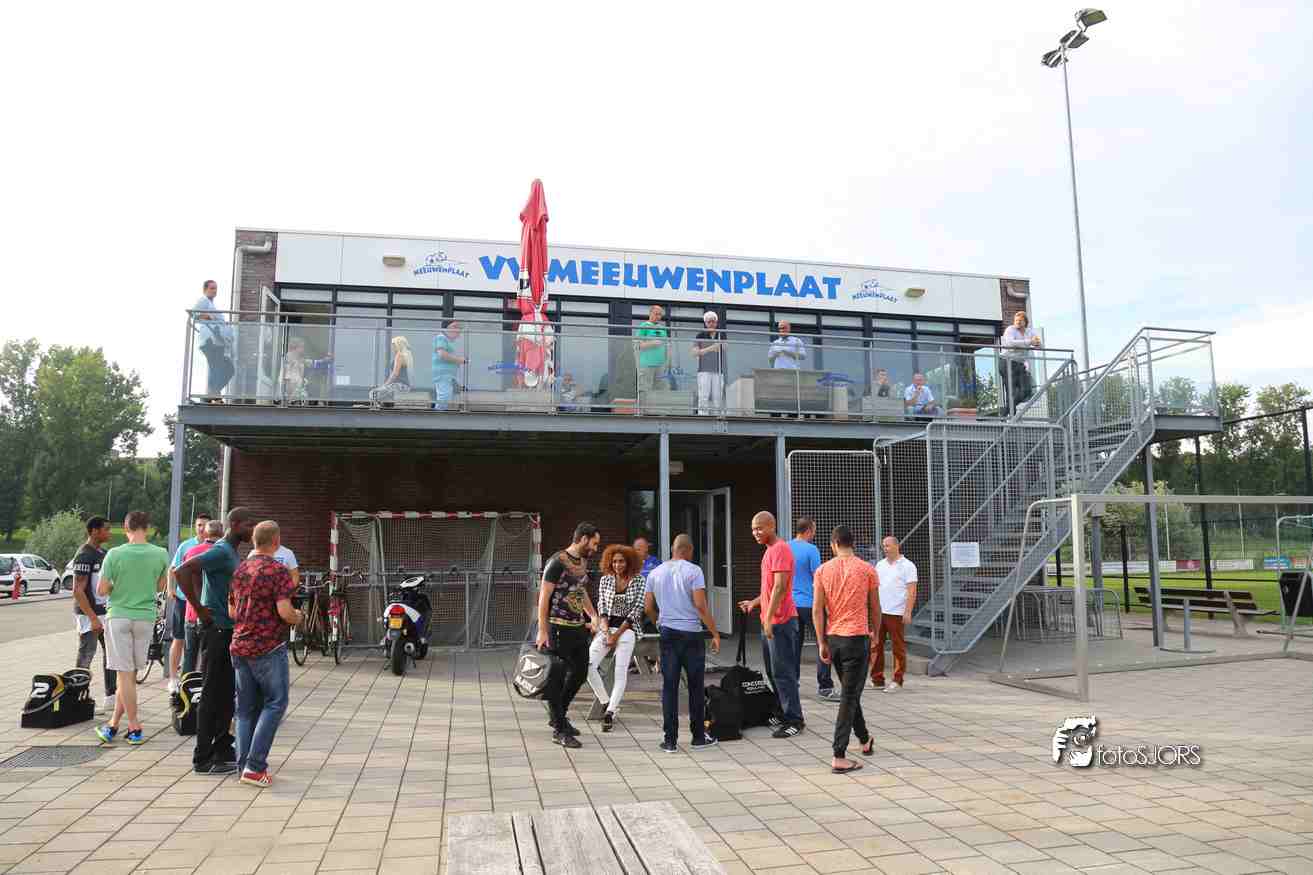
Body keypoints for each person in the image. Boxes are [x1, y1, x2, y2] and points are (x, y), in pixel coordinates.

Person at [176, 507, 258, 774]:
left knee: (225, 694)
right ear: (235, 524)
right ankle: (202, 758)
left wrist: (204, 596)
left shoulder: (231, 552)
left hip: (227, 630)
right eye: (248, 524)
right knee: (212, 693)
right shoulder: (222, 550)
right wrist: (199, 608)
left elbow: (199, 574)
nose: (252, 529)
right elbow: (183, 571)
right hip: (217, 632)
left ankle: (223, 747)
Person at [230, 521, 302, 788]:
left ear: (254, 541)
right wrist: (298, 617)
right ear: (276, 542)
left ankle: (243, 766)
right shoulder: (277, 571)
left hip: (240, 646)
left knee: (245, 709)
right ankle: (255, 766)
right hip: (268, 647)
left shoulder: (240, 570)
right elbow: (284, 611)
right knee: (275, 703)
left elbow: (231, 612)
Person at [94, 512, 170, 745]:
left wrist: (117, 585)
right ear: (147, 528)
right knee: (129, 674)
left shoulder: (114, 554)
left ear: (126, 528)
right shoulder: (161, 553)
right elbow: (160, 586)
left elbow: (101, 590)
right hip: (145, 618)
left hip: (119, 616)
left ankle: (135, 726)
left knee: (124, 675)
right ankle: (113, 724)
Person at [813, 525, 880, 774]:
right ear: (853, 544)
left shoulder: (822, 570)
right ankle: (838, 755)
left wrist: (821, 642)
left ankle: (864, 739)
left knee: (851, 692)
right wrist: (875, 633)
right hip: (857, 638)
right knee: (849, 696)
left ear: (833, 544)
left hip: (834, 639)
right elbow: (875, 607)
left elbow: (817, 609)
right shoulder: (867, 569)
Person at [644, 534, 721, 753]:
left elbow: (648, 607)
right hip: (691, 635)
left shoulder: (655, 572)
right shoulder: (694, 571)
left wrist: (658, 622)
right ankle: (698, 738)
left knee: (670, 687)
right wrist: (714, 633)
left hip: (668, 633)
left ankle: (670, 741)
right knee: (695, 686)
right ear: (689, 550)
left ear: (673, 549)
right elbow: (700, 605)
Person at [535, 522, 602, 749]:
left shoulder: (582, 562)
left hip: (577, 627)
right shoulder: (557, 562)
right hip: (557, 628)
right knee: (556, 678)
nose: (595, 549)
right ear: (583, 539)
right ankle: (560, 730)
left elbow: (580, 591)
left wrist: (593, 615)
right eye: (594, 544)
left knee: (580, 672)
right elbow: (544, 597)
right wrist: (542, 630)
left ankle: (558, 717)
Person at [738, 511, 804, 738]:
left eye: (759, 528)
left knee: (783, 672)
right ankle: (783, 712)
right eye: (753, 529)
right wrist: (754, 603)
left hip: (781, 622)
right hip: (771, 621)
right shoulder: (770, 550)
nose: (755, 533)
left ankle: (795, 720)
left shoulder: (780, 549)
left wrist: (768, 619)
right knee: (773, 671)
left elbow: (780, 587)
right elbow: (769, 589)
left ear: (771, 526)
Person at [586, 544, 647, 732]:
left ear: (629, 562)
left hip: (627, 629)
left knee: (620, 672)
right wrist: (607, 633)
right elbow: (602, 607)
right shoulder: (606, 580)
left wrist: (616, 635)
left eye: (621, 561)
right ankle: (606, 703)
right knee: (587, 665)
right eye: (614, 561)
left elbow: (636, 611)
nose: (617, 565)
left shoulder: (639, 580)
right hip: (607, 628)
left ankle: (610, 713)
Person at [788, 518, 836, 702]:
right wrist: (826, 603)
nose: (814, 534)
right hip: (810, 604)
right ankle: (825, 686)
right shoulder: (811, 549)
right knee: (822, 642)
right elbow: (818, 578)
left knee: (794, 646)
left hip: (791, 605)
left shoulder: (785, 547)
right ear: (808, 530)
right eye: (814, 530)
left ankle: (793, 685)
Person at [72, 516, 115, 716]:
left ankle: (111, 697)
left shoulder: (103, 553)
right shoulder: (84, 555)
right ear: (94, 531)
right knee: (86, 656)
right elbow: (78, 590)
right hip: (89, 615)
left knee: (111, 655)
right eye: (106, 529)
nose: (109, 532)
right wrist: (93, 618)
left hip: (106, 612)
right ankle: (76, 698)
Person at [168, 512, 212, 692]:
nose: (201, 528)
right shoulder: (186, 546)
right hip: (183, 600)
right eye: (199, 525)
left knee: (199, 644)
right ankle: (173, 678)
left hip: (203, 603)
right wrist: (171, 589)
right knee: (179, 639)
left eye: (204, 525)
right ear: (195, 526)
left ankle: (197, 680)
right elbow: (173, 569)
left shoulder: (214, 548)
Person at [871, 536, 918, 691]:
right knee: (876, 645)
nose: (885, 548)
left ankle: (897, 680)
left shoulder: (908, 566)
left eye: (888, 545)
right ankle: (877, 679)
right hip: (880, 612)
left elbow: (912, 591)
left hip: (896, 612)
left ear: (897, 546)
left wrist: (908, 611)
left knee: (898, 646)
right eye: (883, 546)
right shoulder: (880, 565)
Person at [181, 520, 224, 675]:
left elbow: (180, 575)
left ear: (206, 533)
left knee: (189, 658)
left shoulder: (191, 551)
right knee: (208, 661)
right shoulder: (222, 553)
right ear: (222, 533)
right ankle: (203, 688)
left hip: (191, 613)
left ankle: (184, 688)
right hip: (213, 616)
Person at [195, 279, 234, 401]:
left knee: (227, 368)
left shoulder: (211, 304)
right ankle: (213, 395)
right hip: (210, 340)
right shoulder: (204, 300)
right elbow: (195, 315)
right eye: (212, 288)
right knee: (218, 367)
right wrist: (210, 317)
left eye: (216, 288)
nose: (214, 291)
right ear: (205, 289)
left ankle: (212, 394)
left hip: (218, 341)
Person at [1001, 310, 1041, 414]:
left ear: (1025, 322)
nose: (1017, 322)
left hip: (1019, 363)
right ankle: (1010, 417)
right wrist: (1029, 342)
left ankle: (1005, 412)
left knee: (1027, 390)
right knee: (1011, 391)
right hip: (1006, 362)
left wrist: (1037, 343)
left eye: (1020, 320)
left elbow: (1040, 345)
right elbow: (1010, 343)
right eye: (1016, 320)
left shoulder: (1030, 332)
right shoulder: (1010, 330)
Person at [693, 311, 727, 416]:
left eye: (713, 321)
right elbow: (695, 353)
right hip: (704, 370)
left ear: (716, 322)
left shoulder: (721, 334)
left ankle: (718, 416)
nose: (711, 324)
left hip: (718, 370)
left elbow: (725, 347)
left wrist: (705, 349)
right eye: (709, 322)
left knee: (718, 396)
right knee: (703, 395)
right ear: (705, 323)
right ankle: (703, 416)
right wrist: (712, 348)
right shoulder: (700, 335)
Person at [281, 336, 331, 404]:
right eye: (302, 347)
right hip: (291, 397)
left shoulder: (299, 359)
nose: (303, 349)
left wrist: (324, 361)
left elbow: (312, 363)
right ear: (295, 348)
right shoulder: (288, 360)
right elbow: (287, 380)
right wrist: (290, 399)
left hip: (296, 395)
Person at [368, 336, 413, 408]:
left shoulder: (399, 355)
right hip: (405, 386)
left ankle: (375, 410)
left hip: (399, 386)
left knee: (373, 393)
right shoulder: (407, 356)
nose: (392, 347)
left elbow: (395, 374)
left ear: (398, 345)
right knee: (382, 396)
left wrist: (385, 385)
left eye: (393, 344)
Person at [634, 304, 668, 396]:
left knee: (660, 390)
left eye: (660, 315)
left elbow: (666, 346)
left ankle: (656, 406)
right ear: (650, 313)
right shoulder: (644, 326)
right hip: (646, 364)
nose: (658, 316)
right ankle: (644, 406)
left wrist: (667, 362)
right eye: (656, 314)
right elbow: (638, 345)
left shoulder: (663, 329)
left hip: (660, 364)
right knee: (645, 389)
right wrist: (652, 343)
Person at [432, 320, 466, 411]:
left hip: (447, 375)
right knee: (444, 396)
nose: (458, 334)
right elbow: (442, 354)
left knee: (447, 395)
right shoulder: (441, 337)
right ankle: (437, 415)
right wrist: (459, 360)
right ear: (449, 328)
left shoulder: (445, 340)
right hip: (443, 374)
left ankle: (439, 413)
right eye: (457, 331)